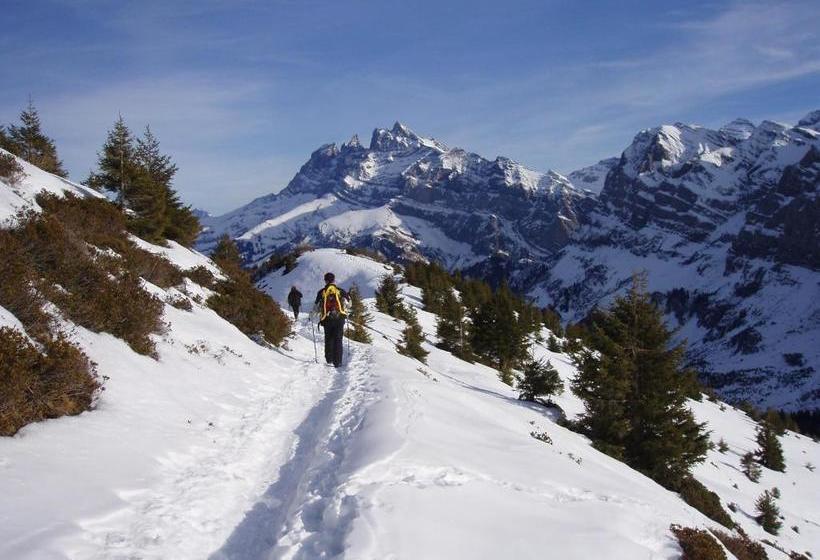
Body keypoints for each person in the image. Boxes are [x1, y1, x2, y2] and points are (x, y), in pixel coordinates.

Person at [315, 272, 350, 367]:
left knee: (328, 338)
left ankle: (329, 358)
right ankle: (337, 361)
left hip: (327, 318)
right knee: (338, 339)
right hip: (340, 318)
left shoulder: (321, 292)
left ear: (325, 281)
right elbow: (349, 303)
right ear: (334, 280)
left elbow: (316, 306)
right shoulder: (340, 290)